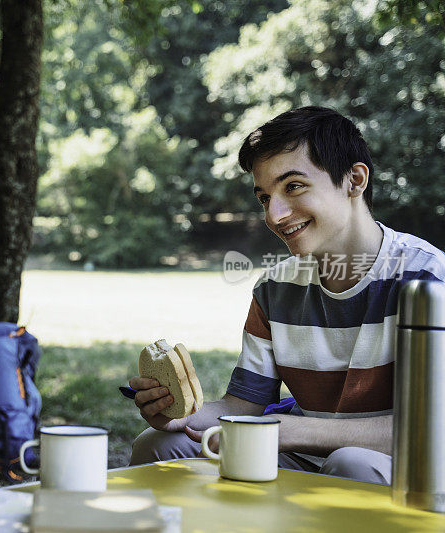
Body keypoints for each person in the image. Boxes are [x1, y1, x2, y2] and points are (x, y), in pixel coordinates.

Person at [128, 106, 445, 484]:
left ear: (354, 180)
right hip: (304, 455)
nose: (275, 215)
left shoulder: (428, 281)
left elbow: (433, 426)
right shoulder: (275, 288)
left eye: (293, 186)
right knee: (160, 446)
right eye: (264, 197)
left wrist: (296, 431)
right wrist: (178, 415)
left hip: (414, 463)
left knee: (351, 465)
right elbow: (241, 406)